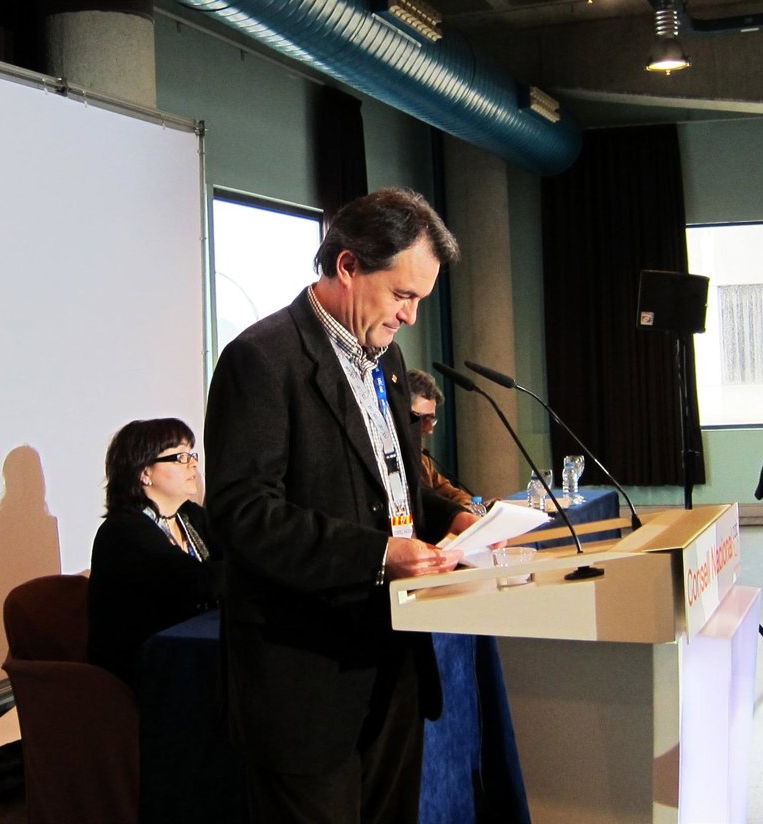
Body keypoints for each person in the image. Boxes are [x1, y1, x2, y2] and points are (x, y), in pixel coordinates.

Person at [204, 187, 480, 823]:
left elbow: (392, 487)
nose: (411, 316)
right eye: (403, 295)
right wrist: (379, 556)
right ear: (348, 265)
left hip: (392, 661)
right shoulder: (261, 359)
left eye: (420, 299)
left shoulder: (387, 360)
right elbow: (244, 512)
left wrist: (455, 519)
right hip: (306, 681)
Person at [87, 418, 225, 689]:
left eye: (192, 455)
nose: (193, 465)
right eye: (180, 457)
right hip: (143, 671)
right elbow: (196, 582)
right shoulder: (123, 531)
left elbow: (235, 553)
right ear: (144, 473)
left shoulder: (190, 516)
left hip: (189, 655)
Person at [407, 368, 474, 509]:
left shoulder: (422, 457)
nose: (430, 429)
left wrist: (466, 508)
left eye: (431, 420)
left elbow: (450, 493)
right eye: (424, 418)